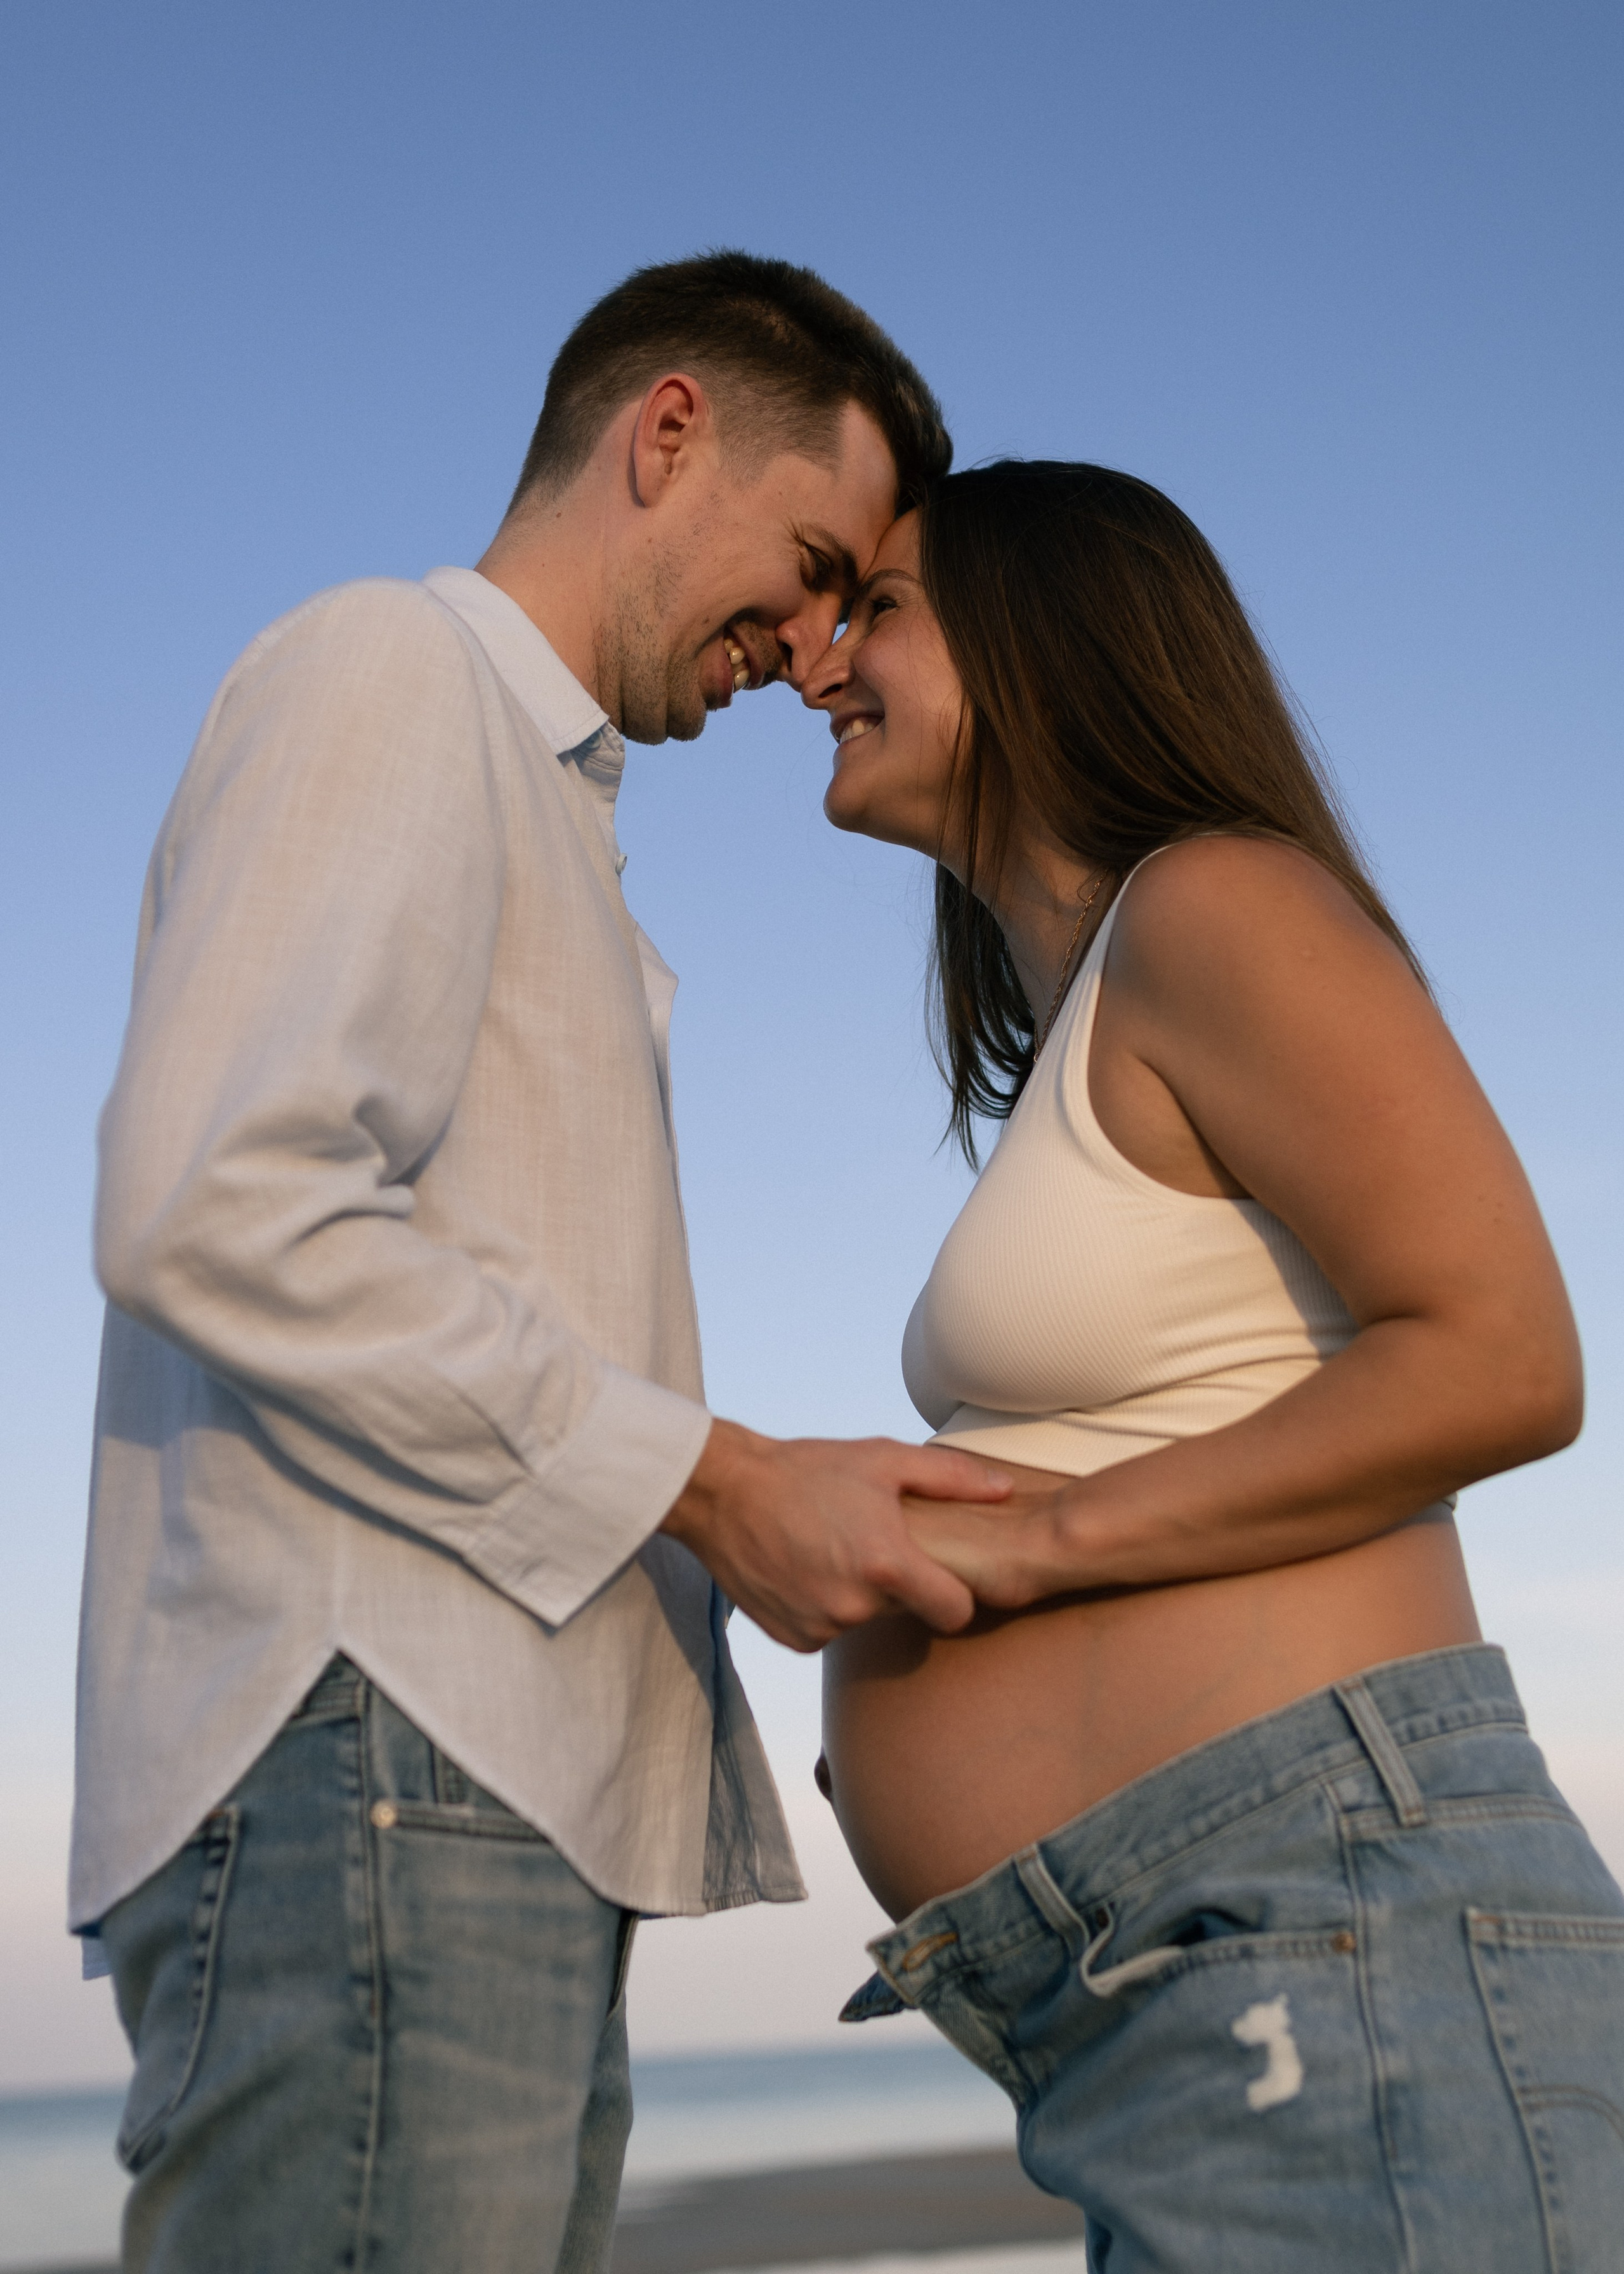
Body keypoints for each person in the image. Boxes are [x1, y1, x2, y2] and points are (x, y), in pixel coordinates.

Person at [75, 252, 1012, 2274]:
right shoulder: (394, 672)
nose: (816, 640)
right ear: (667, 433)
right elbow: (219, 1198)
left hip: (448, 1799)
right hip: (381, 1768)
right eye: (813, 560)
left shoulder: (542, 797)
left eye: (852, 605)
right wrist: (721, 1480)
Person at [804, 461, 1624, 2271]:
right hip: (1183, 1983)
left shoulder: (1215, 907)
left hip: (1324, 1924)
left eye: (880, 608)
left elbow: (1505, 1354)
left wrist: (1032, 1547)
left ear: (1041, 634)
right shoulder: (1106, 996)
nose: (818, 662)